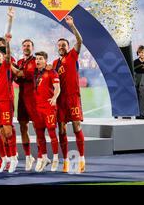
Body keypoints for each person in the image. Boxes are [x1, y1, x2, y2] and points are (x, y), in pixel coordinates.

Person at [53, 15, 85, 173]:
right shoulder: (54, 64)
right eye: (59, 45)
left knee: (77, 127)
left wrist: (72, 25)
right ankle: (65, 160)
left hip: (73, 98)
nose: (61, 47)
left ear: (67, 46)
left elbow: (79, 41)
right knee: (61, 130)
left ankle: (81, 159)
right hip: (60, 101)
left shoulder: (73, 55)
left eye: (64, 44)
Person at [0, 36, 18, 173]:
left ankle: (13, 158)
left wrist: (8, 44)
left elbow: (8, 55)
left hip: (6, 102)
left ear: (4, 56)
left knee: (7, 130)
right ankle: (4, 157)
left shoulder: (7, 66)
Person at [28, 51, 60, 172]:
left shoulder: (52, 72)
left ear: (46, 60)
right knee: (40, 135)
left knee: (52, 133)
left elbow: (57, 87)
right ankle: (45, 158)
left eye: (41, 59)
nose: (38, 61)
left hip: (49, 106)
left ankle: (56, 158)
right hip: (38, 108)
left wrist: (54, 97)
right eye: (37, 59)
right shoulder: (35, 73)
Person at [15, 39, 37, 171]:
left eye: (28, 46)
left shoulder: (34, 61)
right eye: (24, 46)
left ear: (32, 48)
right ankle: (29, 156)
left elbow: (19, 74)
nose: (26, 48)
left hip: (33, 99)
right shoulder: (19, 62)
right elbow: (17, 79)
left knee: (38, 128)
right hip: (22, 98)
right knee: (23, 127)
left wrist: (9, 65)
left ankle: (42, 155)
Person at [134, 45, 144, 119]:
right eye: (140, 52)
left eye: (143, 52)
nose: (141, 54)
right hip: (139, 83)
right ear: (138, 53)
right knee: (140, 98)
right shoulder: (135, 62)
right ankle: (139, 114)